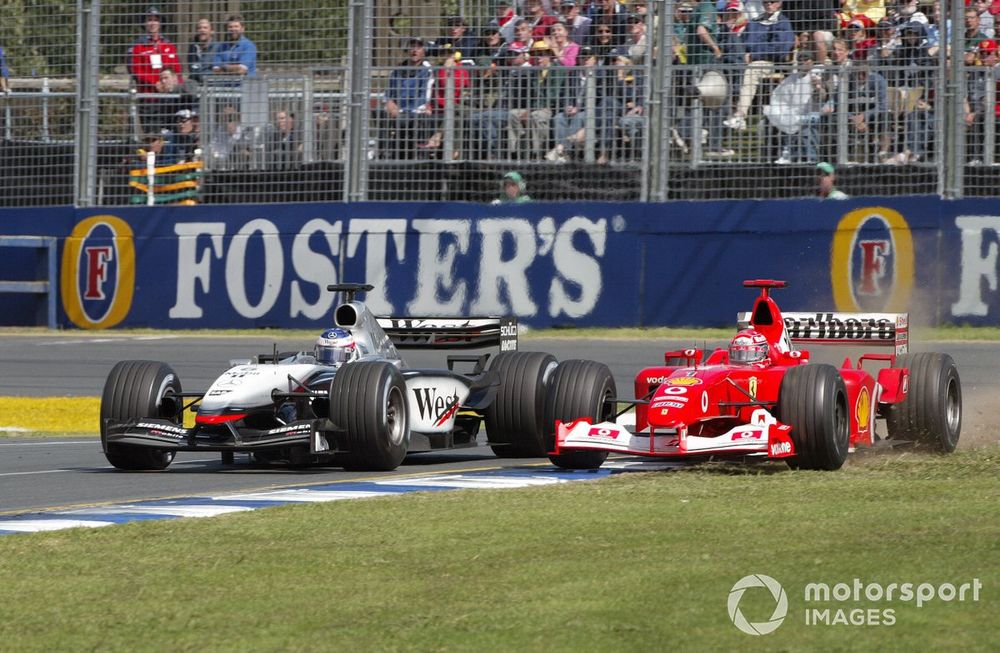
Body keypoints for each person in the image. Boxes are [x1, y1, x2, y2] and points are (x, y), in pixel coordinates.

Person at [724, 0, 794, 131]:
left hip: (772, 62)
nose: (769, 5)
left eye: (772, 2)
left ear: (780, 3)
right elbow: (744, 42)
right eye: (766, 2)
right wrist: (743, 54)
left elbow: (780, 49)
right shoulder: (755, 22)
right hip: (747, 60)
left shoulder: (782, 22)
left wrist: (753, 55)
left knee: (752, 70)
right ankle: (722, 116)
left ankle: (740, 115)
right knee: (728, 69)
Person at [129, 7, 183, 133]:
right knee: (152, 137)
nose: (152, 23)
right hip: (149, 99)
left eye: (155, 20)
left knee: (171, 134)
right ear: (145, 23)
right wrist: (156, 83)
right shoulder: (138, 46)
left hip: (170, 99)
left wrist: (175, 85)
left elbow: (177, 69)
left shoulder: (168, 45)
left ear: (160, 23)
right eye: (149, 20)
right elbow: (136, 71)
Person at [379, 38, 434, 159]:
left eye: (418, 47)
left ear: (424, 51)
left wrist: (402, 111)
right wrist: (389, 102)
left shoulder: (427, 71)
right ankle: (384, 154)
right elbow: (389, 92)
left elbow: (424, 97)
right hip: (397, 111)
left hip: (415, 112)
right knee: (381, 114)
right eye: (412, 47)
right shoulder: (397, 71)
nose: (414, 51)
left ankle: (418, 156)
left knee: (418, 120)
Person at [187, 17, 217, 83]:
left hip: (211, 86)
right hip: (194, 85)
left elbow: (216, 71)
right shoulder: (192, 48)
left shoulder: (217, 48)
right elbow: (191, 68)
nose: (202, 30)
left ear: (211, 31)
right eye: (199, 28)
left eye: (205, 28)